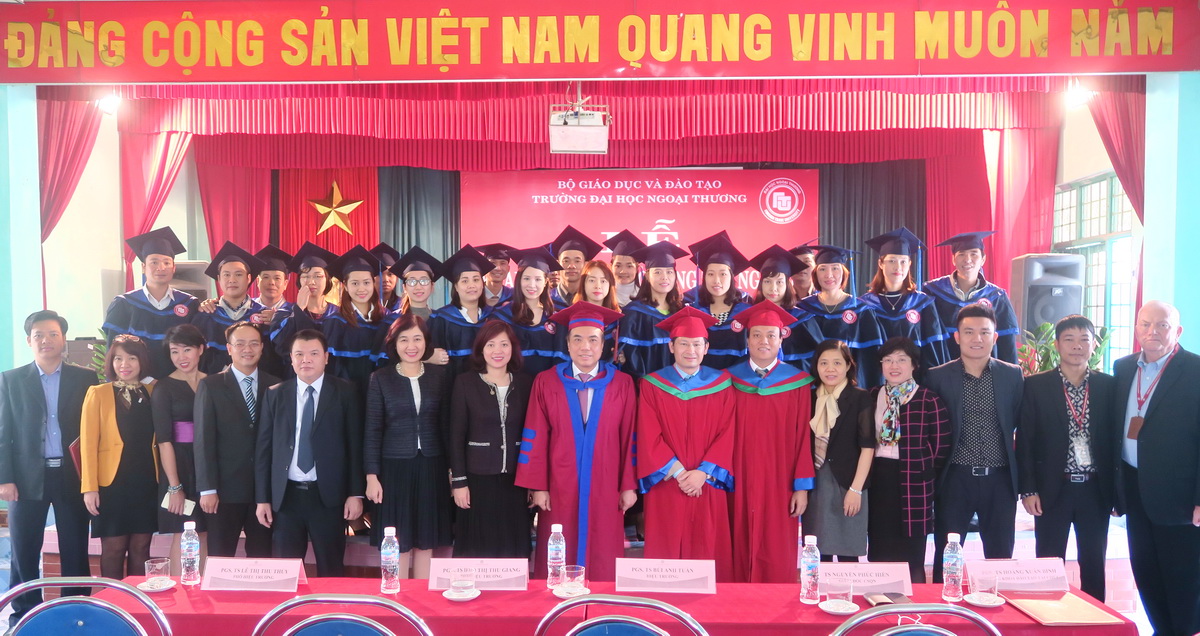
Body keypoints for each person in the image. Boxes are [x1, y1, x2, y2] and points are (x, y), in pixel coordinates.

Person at [516, 303, 637, 582]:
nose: (585, 347)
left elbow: (629, 436)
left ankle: (602, 602)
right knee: (559, 548)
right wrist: (539, 486)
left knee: (604, 550)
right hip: (560, 485)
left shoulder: (622, 384)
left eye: (593, 339)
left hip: (606, 483)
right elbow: (536, 434)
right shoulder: (546, 382)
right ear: (568, 344)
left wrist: (628, 485)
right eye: (578, 339)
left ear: (603, 345)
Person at [0, 310, 98, 628]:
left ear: (63, 338)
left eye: (53, 334)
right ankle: (24, 616)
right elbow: (3, 433)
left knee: (75, 548)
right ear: (29, 341)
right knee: (24, 551)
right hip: (26, 478)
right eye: (39, 335)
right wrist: (5, 479)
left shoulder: (85, 379)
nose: (46, 340)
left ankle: (76, 612)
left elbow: (93, 431)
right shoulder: (11, 380)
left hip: (71, 475)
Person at [1113, 301, 1200, 636]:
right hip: (1134, 488)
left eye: (1162, 325)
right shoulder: (1123, 368)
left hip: (1180, 495)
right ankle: (1162, 630)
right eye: (1145, 324)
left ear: (1177, 331)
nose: (1153, 332)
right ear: (1136, 328)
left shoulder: (1194, 370)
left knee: (1183, 577)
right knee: (1146, 571)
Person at [1015, 315, 1115, 601]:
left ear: (1094, 345)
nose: (1077, 346)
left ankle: (1095, 617)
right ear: (1057, 345)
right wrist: (1029, 489)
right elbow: (1026, 441)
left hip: (1095, 489)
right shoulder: (1036, 385)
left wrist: (1117, 493)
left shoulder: (1108, 386)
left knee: (1094, 561)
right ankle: (1047, 614)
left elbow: (1115, 441)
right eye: (1069, 339)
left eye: (1084, 339)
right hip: (1052, 488)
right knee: (1048, 561)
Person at [926, 303, 1024, 582]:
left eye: (984, 332)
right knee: (947, 556)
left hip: (1000, 480)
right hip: (954, 479)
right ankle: (943, 605)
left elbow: (1021, 425)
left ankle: (999, 606)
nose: (977, 338)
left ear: (995, 337)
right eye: (969, 332)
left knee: (1000, 556)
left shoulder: (1012, 375)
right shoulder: (937, 376)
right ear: (957, 337)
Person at [636, 307, 736, 580]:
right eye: (683, 344)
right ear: (671, 346)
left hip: (708, 483)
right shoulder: (653, 385)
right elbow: (648, 434)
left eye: (696, 344)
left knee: (708, 546)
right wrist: (681, 473)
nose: (690, 350)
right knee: (666, 548)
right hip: (668, 481)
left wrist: (703, 473)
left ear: (706, 348)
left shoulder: (722, 384)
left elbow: (728, 432)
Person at [255, 329, 364, 577]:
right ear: (291, 359)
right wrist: (262, 499)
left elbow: (355, 445)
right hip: (287, 497)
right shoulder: (275, 394)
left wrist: (355, 493)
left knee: (331, 570)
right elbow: (264, 450)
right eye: (299, 354)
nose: (306, 360)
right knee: (286, 573)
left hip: (327, 497)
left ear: (326, 357)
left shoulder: (345, 392)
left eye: (314, 353)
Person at [726, 301, 815, 583]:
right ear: (747, 340)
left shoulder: (798, 383)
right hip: (737, 476)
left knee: (777, 545)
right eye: (756, 335)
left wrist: (801, 486)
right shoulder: (728, 380)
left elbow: (803, 438)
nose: (763, 341)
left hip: (781, 479)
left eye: (770, 335)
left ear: (781, 339)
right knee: (736, 541)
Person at [365, 314, 453, 578]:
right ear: (394, 343)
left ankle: (422, 599)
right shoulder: (381, 378)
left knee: (426, 539)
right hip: (393, 469)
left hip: (432, 466)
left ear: (426, 342)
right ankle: (395, 595)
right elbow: (372, 430)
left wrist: (452, 470)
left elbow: (447, 426)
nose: (411, 346)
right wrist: (371, 476)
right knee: (397, 540)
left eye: (417, 339)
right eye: (404, 339)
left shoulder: (439, 376)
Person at [866, 337, 952, 583]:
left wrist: (924, 472)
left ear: (914, 365)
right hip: (878, 479)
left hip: (915, 481)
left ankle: (915, 599)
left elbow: (941, 446)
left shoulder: (928, 399)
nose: (894, 366)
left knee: (912, 550)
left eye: (901, 360)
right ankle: (878, 595)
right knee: (880, 543)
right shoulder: (872, 395)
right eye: (888, 360)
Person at [449, 321, 534, 558]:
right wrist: (459, 482)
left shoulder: (526, 383)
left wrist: (532, 481)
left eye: (504, 344)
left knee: (513, 548)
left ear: (513, 348)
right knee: (477, 549)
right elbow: (456, 436)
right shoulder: (465, 383)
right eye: (491, 344)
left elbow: (532, 434)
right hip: (477, 480)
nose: (498, 351)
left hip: (516, 481)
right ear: (481, 349)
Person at [194, 321, 278, 558]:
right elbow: (203, 440)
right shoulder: (211, 385)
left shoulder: (275, 385)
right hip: (224, 491)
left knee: (262, 557)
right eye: (240, 344)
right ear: (229, 349)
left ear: (262, 347)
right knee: (221, 556)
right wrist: (207, 489)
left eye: (253, 344)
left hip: (264, 491)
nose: (247, 349)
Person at [80, 334, 159, 579]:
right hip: (111, 484)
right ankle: (111, 600)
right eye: (118, 359)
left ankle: (137, 599)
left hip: (147, 480)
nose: (124, 364)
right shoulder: (98, 393)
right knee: (113, 548)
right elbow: (87, 444)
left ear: (142, 361)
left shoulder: (154, 391)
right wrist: (89, 487)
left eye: (132, 358)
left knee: (141, 548)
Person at [803, 339, 874, 562]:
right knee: (817, 553)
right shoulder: (808, 397)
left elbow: (868, 447)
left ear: (848, 365)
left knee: (848, 557)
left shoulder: (860, 397)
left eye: (837, 363)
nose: (830, 369)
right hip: (817, 484)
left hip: (849, 483)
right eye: (824, 363)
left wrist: (856, 490)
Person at [102, 227, 199, 379]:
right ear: (143, 267)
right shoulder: (124, 304)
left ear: (173, 268)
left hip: (180, 384)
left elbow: (196, 349)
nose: (161, 268)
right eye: (154, 262)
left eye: (166, 262)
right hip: (136, 384)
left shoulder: (189, 304)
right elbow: (114, 353)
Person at [152, 324, 208, 572]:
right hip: (179, 467)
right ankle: (180, 590)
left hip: (208, 467)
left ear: (200, 350)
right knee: (183, 531)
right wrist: (174, 486)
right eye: (175, 351)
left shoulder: (213, 382)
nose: (181, 357)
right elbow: (164, 441)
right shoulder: (163, 387)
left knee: (205, 532)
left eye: (187, 350)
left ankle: (203, 590)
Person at [794, 245, 885, 387]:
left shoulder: (862, 311)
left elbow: (869, 361)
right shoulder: (803, 309)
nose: (829, 275)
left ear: (844, 273)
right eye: (822, 269)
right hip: (814, 388)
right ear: (815, 273)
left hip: (851, 388)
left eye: (835, 268)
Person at [860, 228, 950, 371]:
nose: (898, 267)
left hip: (916, 379)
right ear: (881, 263)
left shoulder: (923, 304)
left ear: (909, 264)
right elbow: (862, 357)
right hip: (877, 379)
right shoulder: (865, 305)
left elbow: (934, 352)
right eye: (891, 261)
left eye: (903, 261)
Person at [924, 231, 1020, 364]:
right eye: (961, 254)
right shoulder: (933, 292)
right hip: (943, 369)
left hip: (985, 370)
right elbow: (927, 339)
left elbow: (1007, 346)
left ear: (983, 259)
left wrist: (1009, 373)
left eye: (974, 254)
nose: (967, 259)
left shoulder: (997, 296)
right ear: (953, 259)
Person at [315, 246, 389, 395]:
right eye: (355, 283)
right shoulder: (335, 322)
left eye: (366, 282)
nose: (361, 289)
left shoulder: (386, 319)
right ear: (346, 286)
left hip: (381, 393)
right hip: (346, 394)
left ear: (373, 284)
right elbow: (331, 368)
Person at [192, 242, 268, 374]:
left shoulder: (263, 315)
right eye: (226, 275)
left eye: (238, 274)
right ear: (219, 279)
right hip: (212, 383)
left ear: (248, 278)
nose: (232, 280)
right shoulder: (206, 314)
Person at [491, 247, 568, 376]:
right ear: (519, 280)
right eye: (526, 278)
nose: (532, 285)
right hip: (513, 384)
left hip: (548, 384)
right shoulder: (502, 316)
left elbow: (561, 360)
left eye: (538, 279)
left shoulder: (557, 317)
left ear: (545, 282)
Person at [618, 241, 689, 379]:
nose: (664, 277)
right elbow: (631, 358)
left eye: (669, 272)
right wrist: (650, 385)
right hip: (646, 386)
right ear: (647, 276)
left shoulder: (681, 312)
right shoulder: (633, 313)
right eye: (657, 272)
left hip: (678, 385)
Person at [427, 245, 497, 377]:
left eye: (476, 280)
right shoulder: (441, 319)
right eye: (464, 281)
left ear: (482, 284)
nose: (471, 285)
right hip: (451, 385)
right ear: (456, 287)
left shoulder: (493, 316)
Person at [687, 232, 753, 370]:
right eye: (710, 274)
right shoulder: (693, 312)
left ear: (731, 277)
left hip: (739, 379)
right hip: (702, 380)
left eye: (723, 274)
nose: (716, 280)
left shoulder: (746, 312)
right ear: (704, 278)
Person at [750, 245, 822, 371]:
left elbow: (820, 357)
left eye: (779, 282)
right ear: (761, 285)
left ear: (787, 285)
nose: (773, 288)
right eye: (767, 281)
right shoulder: (750, 316)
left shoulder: (803, 319)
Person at [270, 242, 339, 373]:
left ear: (327, 280)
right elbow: (280, 347)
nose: (311, 282)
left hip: (332, 377)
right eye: (305, 276)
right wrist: (299, 309)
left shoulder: (338, 313)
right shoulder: (284, 312)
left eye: (318, 276)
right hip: (294, 377)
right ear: (299, 281)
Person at [252, 245, 294, 379]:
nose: (271, 282)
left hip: (286, 378)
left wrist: (278, 320)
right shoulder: (246, 309)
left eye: (277, 278)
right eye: (265, 277)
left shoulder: (294, 313)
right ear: (257, 281)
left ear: (286, 283)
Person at [573, 260, 621, 362]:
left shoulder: (618, 319)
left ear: (610, 285)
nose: (598, 286)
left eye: (603, 281)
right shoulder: (572, 316)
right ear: (583, 284)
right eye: (592, 280)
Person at [549, 226, 603, 310]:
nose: (571, 266)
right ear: (558, 263)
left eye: (577, 261)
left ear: (586, 264)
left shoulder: (595, 299)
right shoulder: (547, 300)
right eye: (566, 261)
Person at [393, 246, 442, 321]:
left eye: (424, 281)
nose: (418, 287)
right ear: (404, 287)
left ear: (432, 286)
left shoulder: (441, 321)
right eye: (412, 281)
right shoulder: (392, 320)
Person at [604, 230, 646, 308]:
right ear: (611, 266)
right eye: (618, 266)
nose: (623, 271)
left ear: (637, 267)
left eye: (629, 266)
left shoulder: (645, 297)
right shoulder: (603, 296)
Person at [369, 242, 404, 314]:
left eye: (390, 274)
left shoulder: (404, 307)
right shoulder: (364, 307)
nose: (385, 279)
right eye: (379, 274)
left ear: (397, 277)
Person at [478, 243, 516, 307]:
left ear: (508, 268)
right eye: (493, 263)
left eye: (502, 263)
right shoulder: (475, 296)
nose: (498, 268)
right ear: (484, 267)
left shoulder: (514, 297)